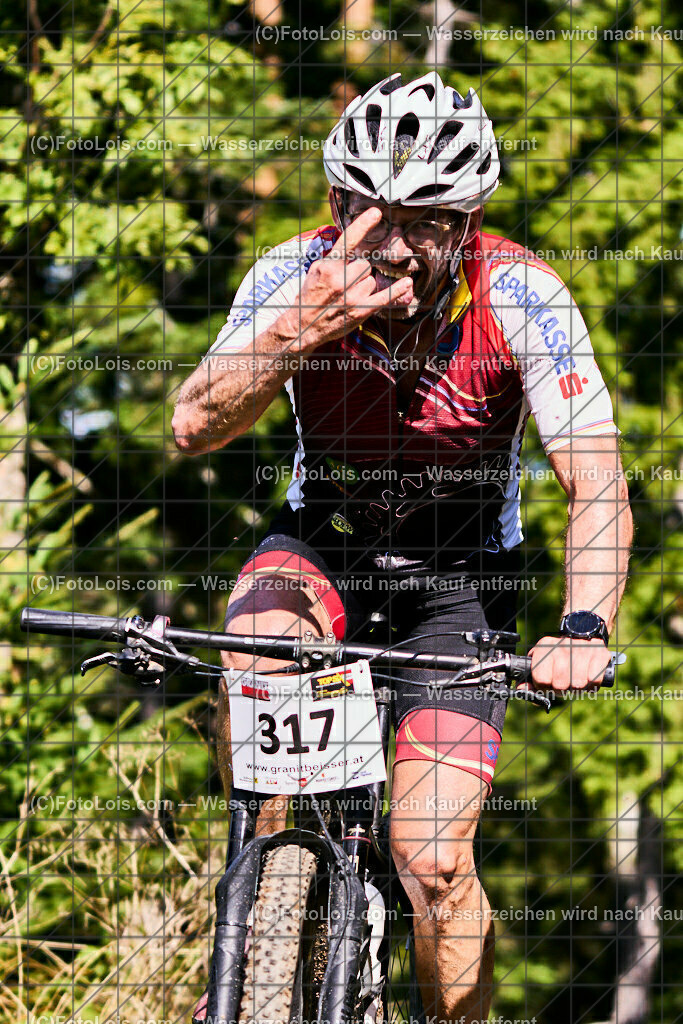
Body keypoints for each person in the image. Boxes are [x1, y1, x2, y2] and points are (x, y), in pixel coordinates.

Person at [173, 71, 632, 1024]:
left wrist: (585, 624)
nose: (387, 240)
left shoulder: (520, 296)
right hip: (325, 546)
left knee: (433, 861)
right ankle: (266, 903)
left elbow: (596, 481)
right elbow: (192, 425)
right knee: (252, 648)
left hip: (458, 585)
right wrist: (299, 328)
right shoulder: (287, 275)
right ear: (334, 200)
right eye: (363, 208)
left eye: (421, 219)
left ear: (464, 223)